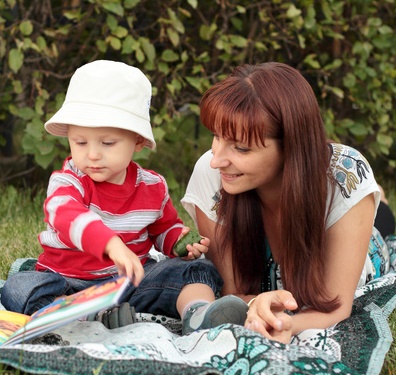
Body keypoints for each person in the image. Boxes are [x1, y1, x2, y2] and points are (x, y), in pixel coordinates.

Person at [2, 60, 249, 335]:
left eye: (107, 143)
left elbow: (163, 227)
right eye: (80, 142)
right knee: (20, 288)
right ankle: (83, 318)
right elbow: (67, 216)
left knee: (195, 269)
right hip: (67, 283)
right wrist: (111, 244)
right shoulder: (69, 180)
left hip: (132, 282)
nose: (92, 154)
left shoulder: (153, 186)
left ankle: (199, 313)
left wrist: (179, 240)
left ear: (138, 141)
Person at [181, 62, 386, 344]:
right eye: (216, 136)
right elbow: (233, 293)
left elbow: (336, 306)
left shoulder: (344, 177)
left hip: (367, 242)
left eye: (240, 147)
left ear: (292, 146)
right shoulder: (212, 172)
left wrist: (289, 324)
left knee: (386, 228)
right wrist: (257, 307)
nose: (217, 159)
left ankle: (378, 201)